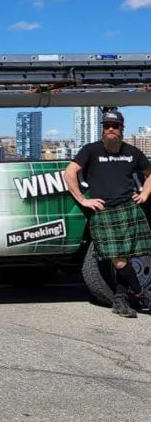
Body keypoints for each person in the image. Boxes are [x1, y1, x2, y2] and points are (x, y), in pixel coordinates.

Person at [64, 109, 151, 318]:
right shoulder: (91, 150)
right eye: (106, 126)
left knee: (126, 258)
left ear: (122, 128)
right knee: (118, 260)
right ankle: (140, 294)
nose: (110, 130)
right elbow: (69, 173)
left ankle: (120, 301)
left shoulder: (133, 152)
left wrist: (145, 193)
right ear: (103, 129)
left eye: (114, 126)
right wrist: (83, 199)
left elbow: (149, 174)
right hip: (105, 211)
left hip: (128, 209)